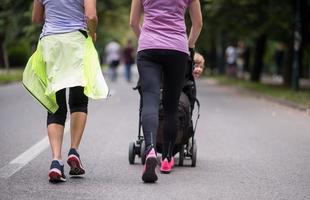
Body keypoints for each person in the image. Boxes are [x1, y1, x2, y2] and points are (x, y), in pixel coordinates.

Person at [30, 0, 108, 183]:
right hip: (76, 42)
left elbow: (36, 18)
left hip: (51, 44)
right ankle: (73, 151)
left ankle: (56, 161)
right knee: (79, 101)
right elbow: (91, 16)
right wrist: (92, 32)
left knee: (55, 105)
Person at [130, 0, 202, 183]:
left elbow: (133, 22)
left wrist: (145, 38)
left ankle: (151, 149)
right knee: (171, 106)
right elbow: (198, 23)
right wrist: (189, 45)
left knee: (150, 101)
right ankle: (168, 159)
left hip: (148, 48)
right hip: (177, 49)